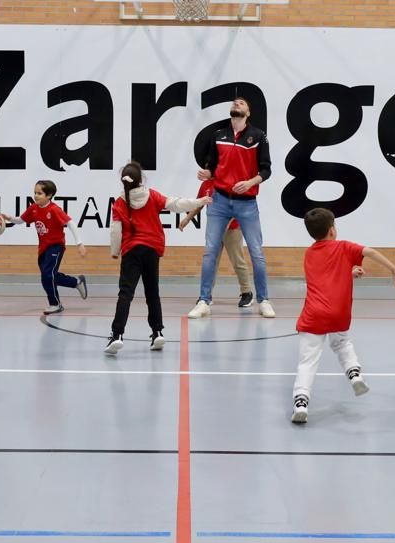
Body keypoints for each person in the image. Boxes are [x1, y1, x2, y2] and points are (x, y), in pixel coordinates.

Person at [291, 208, 395, 424]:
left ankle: (301, 402)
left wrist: (347, 272)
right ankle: (354, 374)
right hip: (338, 312)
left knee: (307, 362)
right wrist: (393, 269)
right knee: (342, 344)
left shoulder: (309, 254)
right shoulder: (343, 247)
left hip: (314, 314)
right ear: (332, 230)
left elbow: (323, 276)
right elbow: (369, 252)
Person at [107, 163, 209, 355]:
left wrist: (115, 251)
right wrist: (199, 201)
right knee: (152, 293)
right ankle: (157, 332)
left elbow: (115, 231)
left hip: (131, 252)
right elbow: (177, 204)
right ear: (141, 179)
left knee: (125, 294)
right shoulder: (152, 195)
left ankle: (117, 335)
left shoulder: (119, 203)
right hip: (152, 250)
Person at [189, 96, 274, 319]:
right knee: (209, 252)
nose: (237, 105)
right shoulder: (218, 136)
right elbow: (213, 167)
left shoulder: (258, 137)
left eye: (242, 103)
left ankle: (263, 299)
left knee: (256, 253)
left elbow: (266, 170)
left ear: (248, 112)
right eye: (235, 103)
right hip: (219, 201)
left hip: (246, 204)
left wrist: (250, 182)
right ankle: (204, 300)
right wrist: (207, 174)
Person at [3, 179, 87, 314]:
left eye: (40, 193)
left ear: (49, 195)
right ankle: (76, 282)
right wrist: (9, 218)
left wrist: (80, 243)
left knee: (48, 275)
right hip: (43, 248)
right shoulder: (33, 209)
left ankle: (55, 304)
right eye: (35, 193)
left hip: (56, 246)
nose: (36, 195)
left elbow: (70, 223)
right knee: (49, 276)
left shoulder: (54, 209)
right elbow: (20, 220)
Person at [177, 176, 254, 309]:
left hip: (233, 229)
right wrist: (187, 218)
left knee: (238, 261)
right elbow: (199, 204)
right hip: (214, 229)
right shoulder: (205, 185)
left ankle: (247, 292)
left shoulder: (228, 181)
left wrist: (226, 223)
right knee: (210, 261)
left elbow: (237, 206)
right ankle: (206, 295)